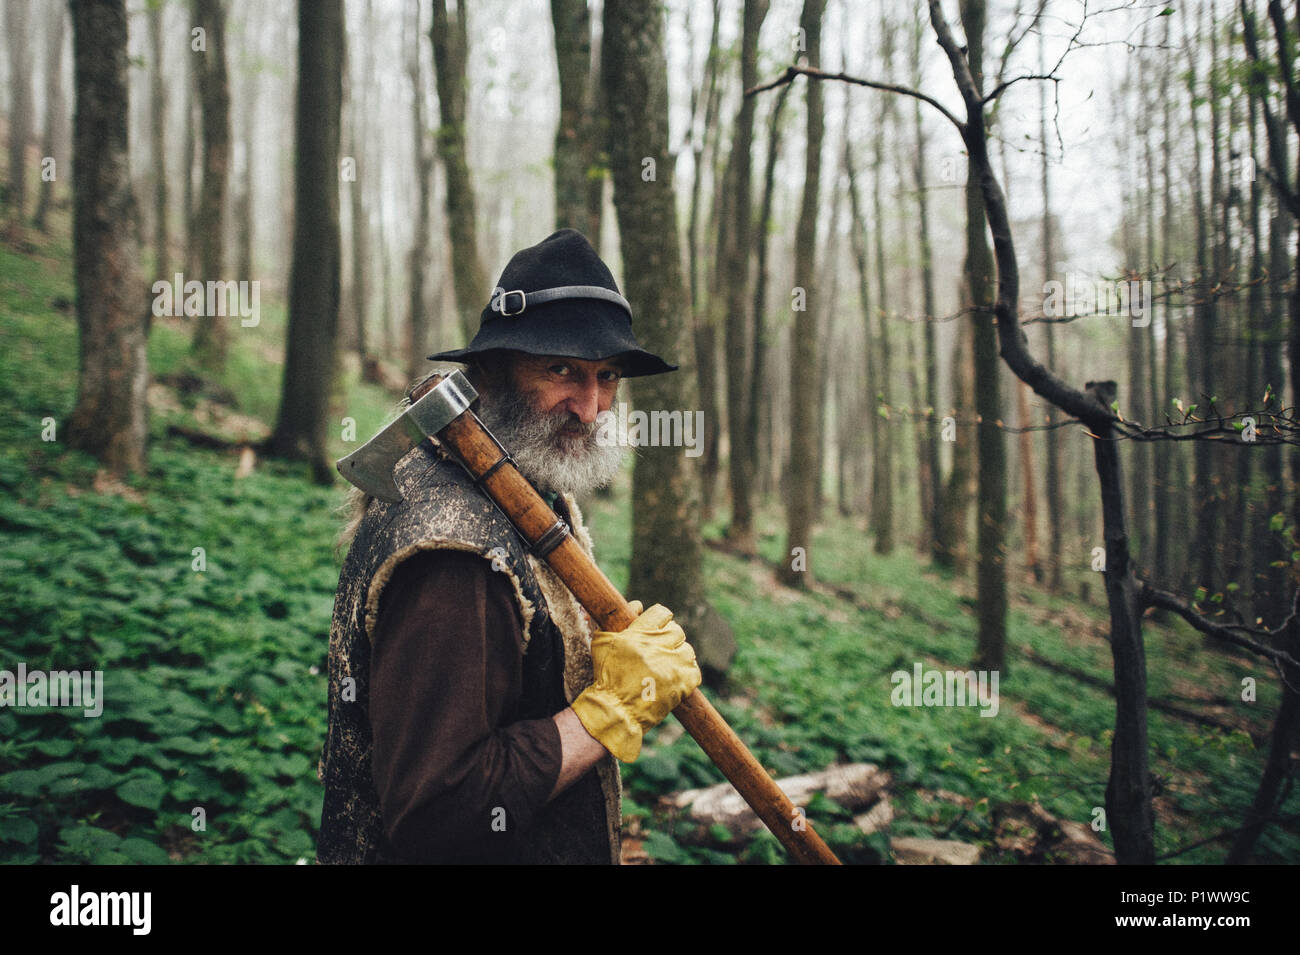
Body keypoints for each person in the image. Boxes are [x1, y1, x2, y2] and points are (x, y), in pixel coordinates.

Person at [317, 229, 702, 864]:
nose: (590, 406)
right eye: (561, 370)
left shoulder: (521, 489)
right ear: (491, 373)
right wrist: (607, 713)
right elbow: (437, 811)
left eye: (607, 377)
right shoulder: (455, 559)